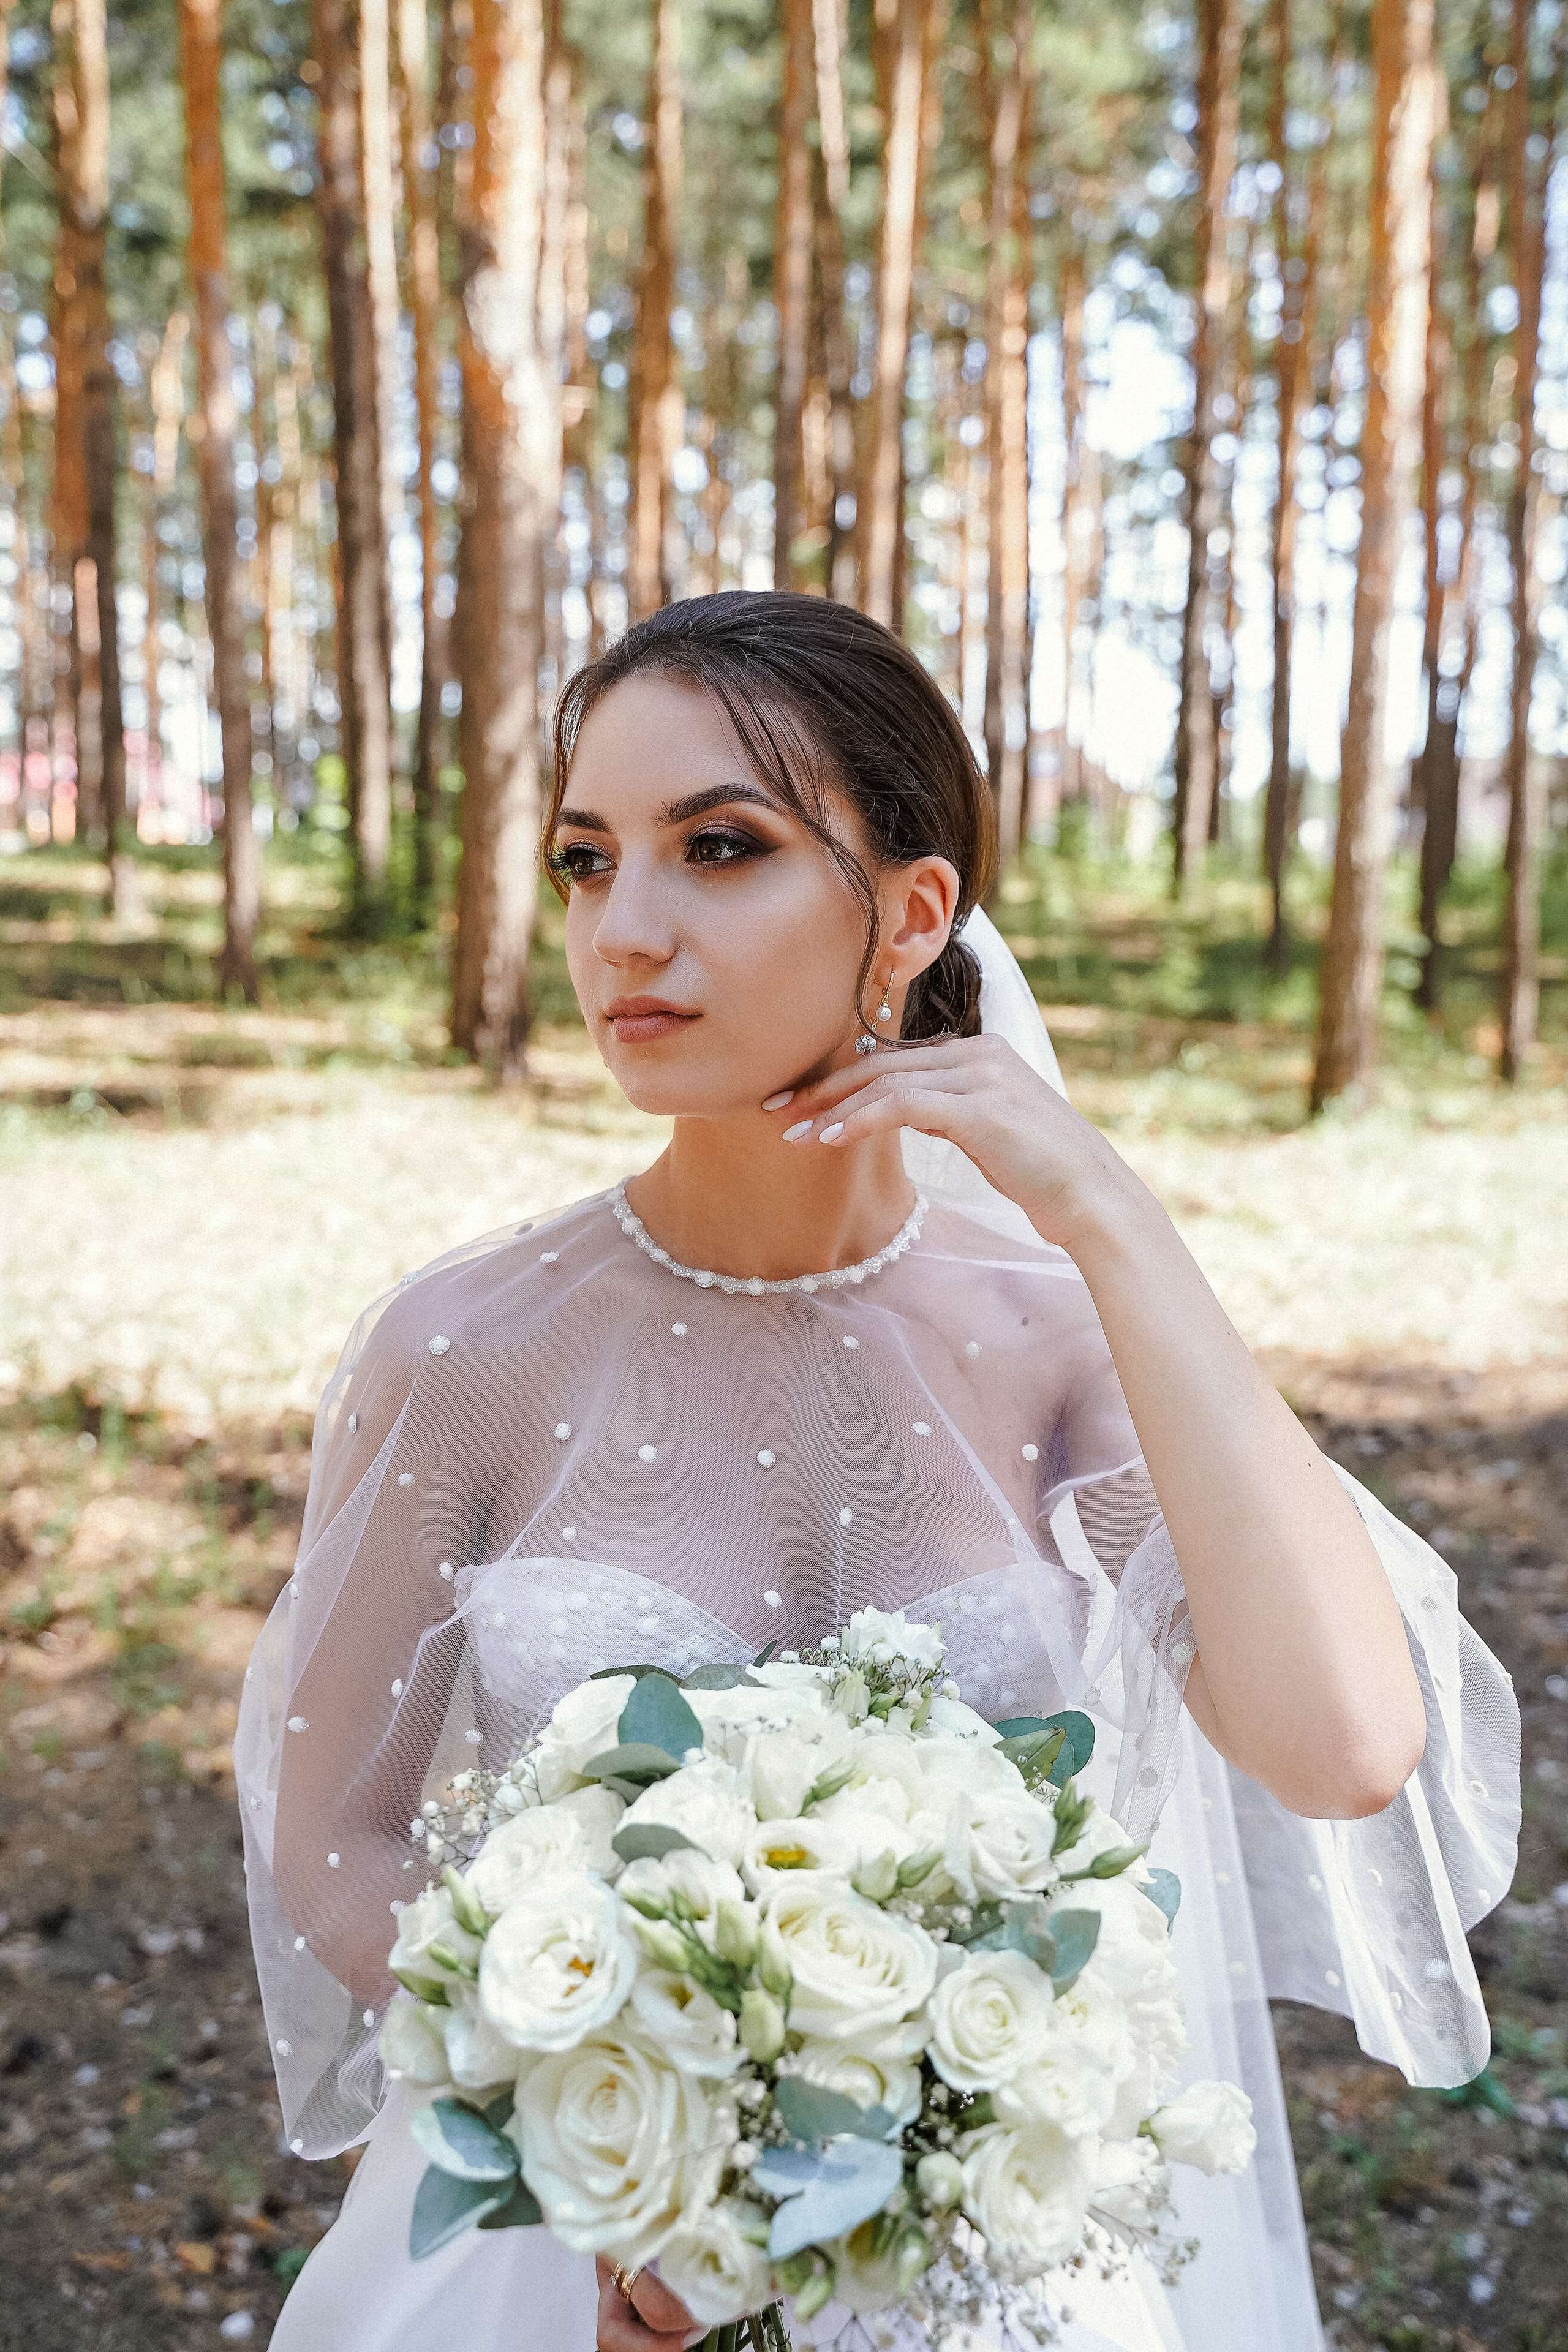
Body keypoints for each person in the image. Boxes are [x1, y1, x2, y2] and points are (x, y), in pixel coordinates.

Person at [238, 592, 1519, 2352]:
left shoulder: (1059, 1334)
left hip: (988, 2265)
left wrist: (1108, 1217)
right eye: (587, 859)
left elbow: (1349, 1745)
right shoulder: (464, 1348)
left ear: (910, 915)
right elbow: (336, 1847)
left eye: (721, 848)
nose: (627, 929)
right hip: (571, 2237)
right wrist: (645, 2131)